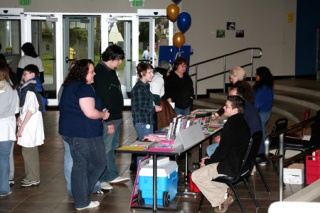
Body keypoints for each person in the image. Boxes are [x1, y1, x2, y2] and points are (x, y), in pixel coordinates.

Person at [59, 59, 109, 210]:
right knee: (99, 163)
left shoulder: (68, 86)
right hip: (85, 134)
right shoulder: (83, 88)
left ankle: (81, 201)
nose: (94, 74)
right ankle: (81, 195)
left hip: (69, 133)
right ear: (83, 73)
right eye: (91, 71)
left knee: (80, 165)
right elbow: (90, 112)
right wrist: (103, 114)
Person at [192, 96, 251, 213]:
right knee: (206, 168)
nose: (223, 108)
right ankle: (226, 190)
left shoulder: (232, 124)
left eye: (227, 106)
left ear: (235, 110)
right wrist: (210, 159)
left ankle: (221, 200)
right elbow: (225, 150)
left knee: (196, 176)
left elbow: (223, 151)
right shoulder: (242, 122)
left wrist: (207, 161)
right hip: (241, 164)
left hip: (230, 165)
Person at [92, 44, 129, 191]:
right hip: (109, 118)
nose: (120, 63)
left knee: (112, 148)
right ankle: (101, 179)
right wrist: (108, 121)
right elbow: (102, 98)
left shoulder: (110, 71)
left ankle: (111, 175)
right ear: (111, 57)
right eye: (119, 59)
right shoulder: (100, 72)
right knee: (105, 149)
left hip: (115, 116)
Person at [207, 86, 262, 157]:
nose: (229, 99)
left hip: (249, 150)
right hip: (252, 145)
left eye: (232, 97)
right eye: (229, 96)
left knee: (211, 149)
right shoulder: (245, 106)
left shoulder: (242, 113)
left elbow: (237, 136)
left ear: (240, 97)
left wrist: (222, 138)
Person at [17, 64, 45, 187]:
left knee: (29, 152)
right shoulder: (27, 88)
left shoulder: (31, 89)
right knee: (27, 151)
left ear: (33, 74)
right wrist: (19, 117)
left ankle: (33, 177)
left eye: (25, 74)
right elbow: (24, 108)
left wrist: (22, 126)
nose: (23, 76)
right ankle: (30, 176)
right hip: (27, 124)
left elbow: (30, 110)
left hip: (29, 126)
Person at [0, 62, 19, 196]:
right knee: (4, 158)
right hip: (8, 128)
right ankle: (4, 187)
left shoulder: (2, 87)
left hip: (2, 126)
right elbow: (16, 109)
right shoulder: (12, 88)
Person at [131, 62, 162, 139]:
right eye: (150, 72)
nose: (153, 74)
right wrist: (154, 108)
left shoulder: (145, 86)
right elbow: (139, 109)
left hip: (147, 121)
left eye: (152, 72)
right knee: (145, 146)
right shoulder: (139, 89)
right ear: (142, 73)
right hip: (143, 123)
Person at [253, 66, 274, 155]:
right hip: (266, 112)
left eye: (257, 74)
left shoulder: (262, 88)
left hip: (261, 113)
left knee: (260, 133)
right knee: (262, 131)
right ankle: (262, 151)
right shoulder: (268, 86)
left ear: (261, 76)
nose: (255, 75)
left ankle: (262, 152)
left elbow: (257, 103)